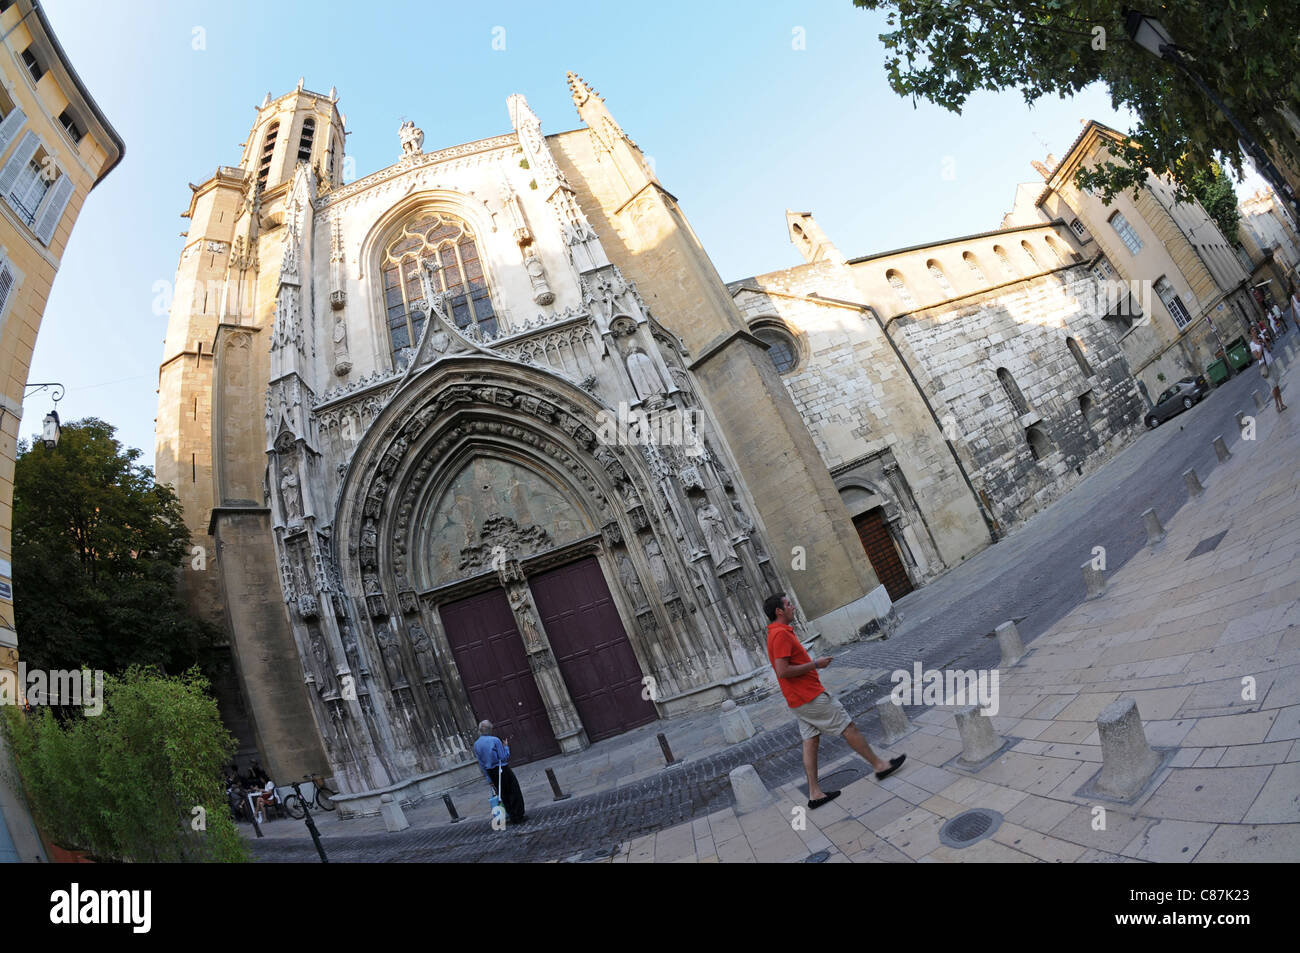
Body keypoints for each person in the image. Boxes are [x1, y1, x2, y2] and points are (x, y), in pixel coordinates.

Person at [764, 592, 904, 810]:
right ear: (779, 611)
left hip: (798, 699)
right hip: (809, 696)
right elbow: (782, 671)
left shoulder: (774, 633)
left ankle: (814, 793)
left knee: (810, 741)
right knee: (849, 727)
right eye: (789, 604)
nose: (793, 606)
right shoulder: (780, 634)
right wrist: (816, 664)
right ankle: (879, 765)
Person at [473, 720, 527, 825]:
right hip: (502, 769)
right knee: (514, 791)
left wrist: (489, 779)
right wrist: (506, 747)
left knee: (503, 794)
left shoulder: (476, 744)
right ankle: (519, 815)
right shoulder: (495, 740)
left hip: (491, 772)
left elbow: (481, 764)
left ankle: (512, 816)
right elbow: (503, 758)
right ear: (490, 729)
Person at [1251, 328, 1286, 412]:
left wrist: (1264, 342)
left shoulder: (1261, 337)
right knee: (1273, 385)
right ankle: (1277, 405)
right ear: (1250, 333)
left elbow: (1269, 349)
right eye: (1252, 330)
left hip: (1271, 362)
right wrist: (1260, 347)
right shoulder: (1252, 344)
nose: (1255, 331)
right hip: (1264, 366)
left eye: (1255, 329)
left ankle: (1281, 403)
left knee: (1276, 384)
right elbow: (1258, 357)